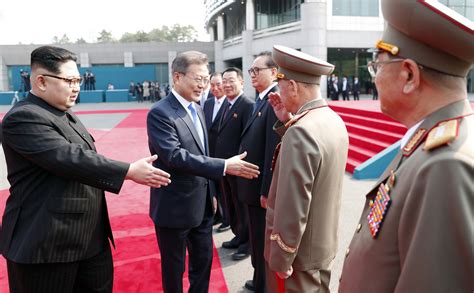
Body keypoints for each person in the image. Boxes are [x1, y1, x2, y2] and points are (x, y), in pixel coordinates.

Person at [0, 45, 171, 293]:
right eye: (69, 80)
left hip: (89, 239)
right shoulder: (24, 117)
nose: (76, 87)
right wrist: (128, 171)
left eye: (78, 80)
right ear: (41, 81)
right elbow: (68, 158)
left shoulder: (65, 114)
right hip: (46, 246)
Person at [339, 1, 473, 292]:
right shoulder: (430, 141)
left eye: (378, 65)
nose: (375, 77)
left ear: (409, 75)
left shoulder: (444, 164)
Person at [146, 51, 260, 293]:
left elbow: (203, 153)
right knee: (174, 270)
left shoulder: (198, 109)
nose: (203, 85)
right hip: (174, 208)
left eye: (205, 79)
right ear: (177, 77)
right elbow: (174, 156)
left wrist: (213, 193)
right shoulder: (160, 113)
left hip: (203, 206)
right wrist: (224, 166)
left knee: (203, 264)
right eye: (197, 78)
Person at [264, 45, 349, 293]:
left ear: (292, 85)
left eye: (280, 85)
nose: (279, 92)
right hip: (320, 245)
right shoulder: (331, 118)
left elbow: (293, 203)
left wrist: (282, 257)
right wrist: (287, 121)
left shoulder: (301, 131)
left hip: (298, 257)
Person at [237, 51, 281, 292]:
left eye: (257, 70)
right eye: (251, 71)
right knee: (257, 239)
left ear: (273, 72)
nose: (252, 74)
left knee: (262, 240)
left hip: (259, 190)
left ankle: (264, 285)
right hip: (251, 185)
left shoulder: (273, 101)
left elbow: (271, 152)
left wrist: (266, 191)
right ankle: (259, 279)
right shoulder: (261, 99)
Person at [215, 67, 254, 261]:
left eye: (231, 81)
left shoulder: (247, 105)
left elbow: (247, 139)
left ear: (242, 82)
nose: (227, 85)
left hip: (239, 167)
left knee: (242, 206)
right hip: (225, 166)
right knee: (231, 204)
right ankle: (239, 236)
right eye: (225, 81)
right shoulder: (226, 104)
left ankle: (247, 244)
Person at [203, 72, 230, 232]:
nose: (215, 88)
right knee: (214, 189)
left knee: (226, 190)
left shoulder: (230, 103)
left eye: (218, 84)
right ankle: (218, 215)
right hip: (209, 155)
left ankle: (228, 219)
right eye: (212, 85)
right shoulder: (207, 103)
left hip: (225, 157)